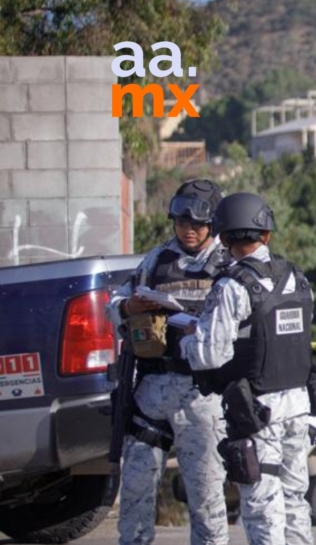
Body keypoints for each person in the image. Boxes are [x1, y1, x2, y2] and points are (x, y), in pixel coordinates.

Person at [181, 193, 316, 545]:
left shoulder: (233, 286)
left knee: (262, 505)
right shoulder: (299, 280)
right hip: (299, 407)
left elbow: (208, 355)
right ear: (266, 234)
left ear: (223, 239)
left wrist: (186, 340)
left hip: (259, 413)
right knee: (294, 499)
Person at [107, 179, 230, 545]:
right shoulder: (157, 260)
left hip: (202, 395)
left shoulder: (227, 264)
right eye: (180, 222)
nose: (187, 230)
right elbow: (115, 304)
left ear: (213, 225)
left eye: (195, 224)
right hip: (151, 393)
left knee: (206, 498)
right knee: (135, 492)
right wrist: (130, 307)